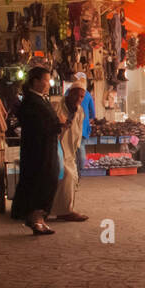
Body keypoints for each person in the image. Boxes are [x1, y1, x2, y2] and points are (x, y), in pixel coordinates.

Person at [11, 66, 63, 235]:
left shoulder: (41, 99)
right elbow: (39, 126)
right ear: (35, 82)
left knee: (49, 180)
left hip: (47, 147)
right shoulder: (30, 102)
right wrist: (57, 124)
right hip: (37, 150)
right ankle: (35, 218)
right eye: (46, 80)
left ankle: (39, 218)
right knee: (40, 182)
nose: (48, 84)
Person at [51, 85, 89, 223]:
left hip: (70, 150)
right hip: (56, 148)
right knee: (66, 176)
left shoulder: (79, 110)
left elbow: (78, 130)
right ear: (69, 94)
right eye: (76, 95)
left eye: (81, 97)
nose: (78, 99)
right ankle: (64, 211)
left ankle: (65, 209)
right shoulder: (57, 106)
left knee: (72, 177)